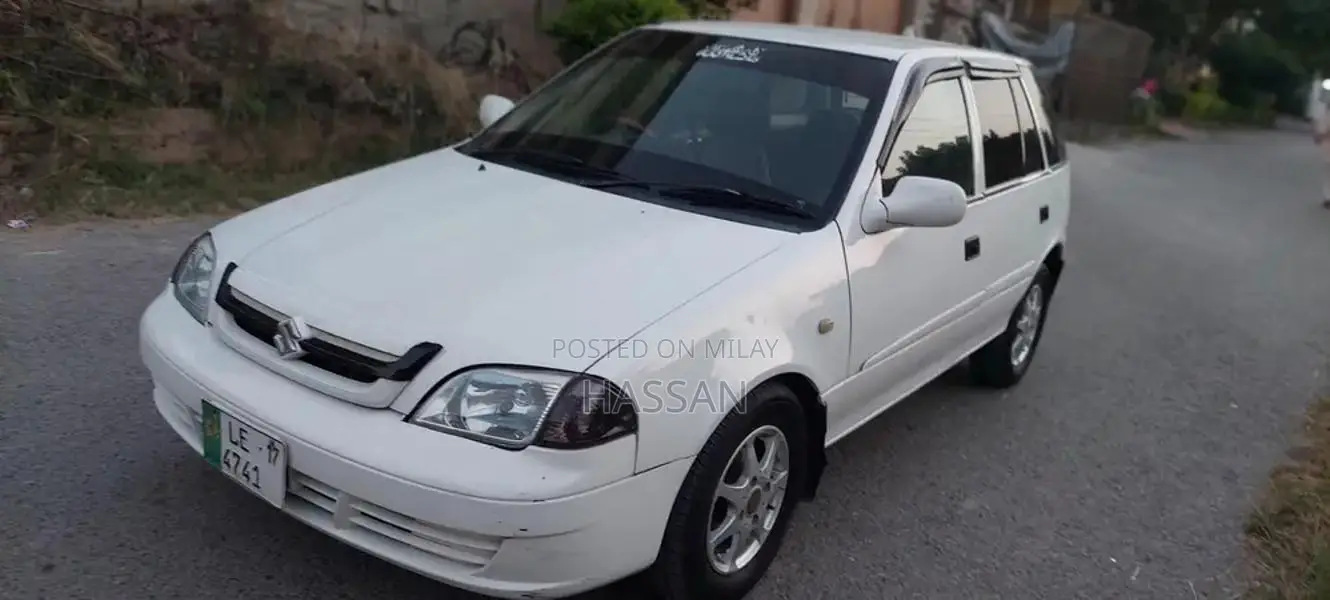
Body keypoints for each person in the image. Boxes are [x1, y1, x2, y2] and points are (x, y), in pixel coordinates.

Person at [1314, 84, 1330, 209]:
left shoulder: (1325, 115)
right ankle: (1327, 197)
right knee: (1327, 171)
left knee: (1327, 172)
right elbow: (1319, 130)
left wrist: (1320, 136)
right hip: (1326, 146)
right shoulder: (1324, 115)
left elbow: (1320, 131)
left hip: (1326, 145)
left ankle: (1327, 197)